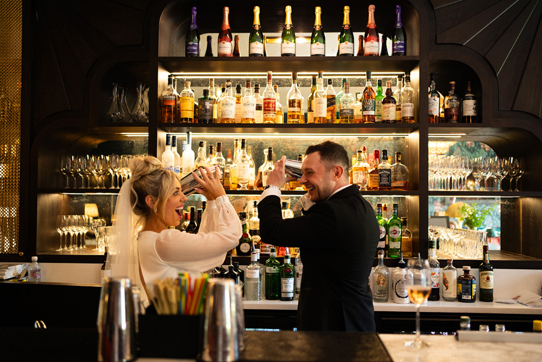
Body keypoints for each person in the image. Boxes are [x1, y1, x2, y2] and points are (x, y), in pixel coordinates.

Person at [258, 141, 379, 332]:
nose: (302, 180)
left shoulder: (332, 213)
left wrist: (272, 187)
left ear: (337, 173)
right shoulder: (361, 206)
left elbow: (272, 230)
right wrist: (310, 191)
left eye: (309, 173)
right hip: (357, 321)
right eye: (302, 172)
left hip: (333, 328)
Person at [109, 156, 241, 306]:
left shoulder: (147, 239)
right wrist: (221, 197)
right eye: (176, 192)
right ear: (152, 201)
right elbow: (230, 238)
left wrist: (212, 202)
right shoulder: (164, 242)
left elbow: (211, 250)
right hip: (180, 325)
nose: (184, 198)